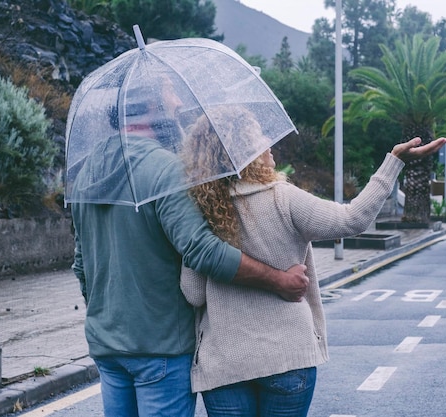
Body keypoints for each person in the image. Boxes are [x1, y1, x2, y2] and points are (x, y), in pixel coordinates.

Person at [180, 106, 446, 417]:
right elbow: (353, 219)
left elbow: (193, 293)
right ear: (245, 149)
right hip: (288, 357)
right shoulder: (283, 197)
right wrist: (394, 162)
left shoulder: (202, 212)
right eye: (258, 136)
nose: (268, 142)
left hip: (225, 363)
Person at [69, 77, 309, 417]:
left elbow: (81, 263)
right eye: (169, 91)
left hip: (107, 345)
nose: (178, 103)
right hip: (159, 346)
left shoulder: (87, 172)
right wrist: (278, 280)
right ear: (151, 104)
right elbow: (202, 251)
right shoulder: (165, 169)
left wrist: (107, 316)